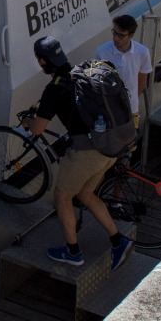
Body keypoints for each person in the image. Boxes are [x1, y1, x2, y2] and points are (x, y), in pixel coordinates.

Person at [26, 36, 132, 270]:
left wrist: (28, 121)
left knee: (62, 196)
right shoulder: (80, 73)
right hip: (109, 147)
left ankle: (73, 252)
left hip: (86, 153)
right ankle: (118, 241)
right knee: (84, 194)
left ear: (43, 61)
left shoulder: (53, 89)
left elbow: (39, 128)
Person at [96, 15, 151, 125]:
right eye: (114, 33)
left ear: (130, 36)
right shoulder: (102, 51)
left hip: (132, 109)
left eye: (120, 35)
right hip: (109, 109)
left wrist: (128, 101)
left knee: (131, 140)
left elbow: (142, 82)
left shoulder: (142, 52)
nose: (115, 38)